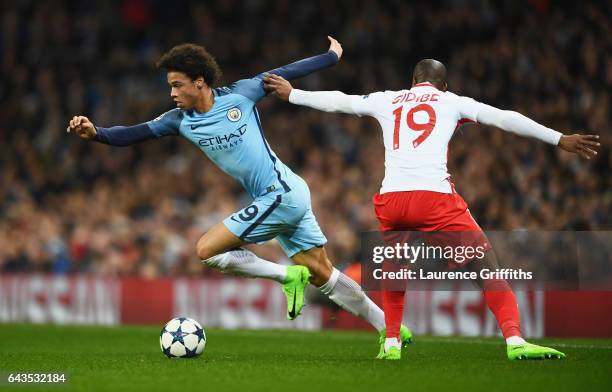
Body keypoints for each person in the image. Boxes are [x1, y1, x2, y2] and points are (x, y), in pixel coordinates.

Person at [66, 37, 412, 349]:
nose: (171, 93)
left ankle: (286, 275)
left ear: (199, 82)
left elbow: (286, 71)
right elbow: (135, 132)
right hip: (283, 194)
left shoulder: (242, 93)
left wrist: (330, 57)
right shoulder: (177, 119)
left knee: (207, 250)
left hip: (281, 193)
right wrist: (97, 133)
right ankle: (391, 328)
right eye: (169, 86)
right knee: (323, 273)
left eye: (177, 85)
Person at [263, 58, 600, 360]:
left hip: (392, 200)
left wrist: (294, 94)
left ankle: (391, 342)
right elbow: (504, 118)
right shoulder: (453, 101)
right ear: (444, 85)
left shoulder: (389, 98)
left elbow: (340, 101)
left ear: (413, 81)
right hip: (434, 199)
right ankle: (515, 340)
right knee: (487, 269)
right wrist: (559, 138)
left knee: (395, 270)